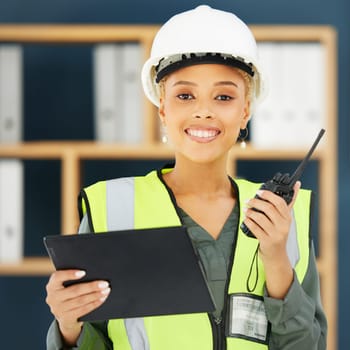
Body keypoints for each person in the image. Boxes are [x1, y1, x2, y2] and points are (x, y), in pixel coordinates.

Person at [45, 5, 327, 350]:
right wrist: (68, 325)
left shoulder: (284, 219)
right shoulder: (112, 210)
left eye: (223, 96)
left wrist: (277, 258)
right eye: (185, 95)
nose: (203, 110)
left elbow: (306, 345)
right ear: (163, 108)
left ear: (245, 110)